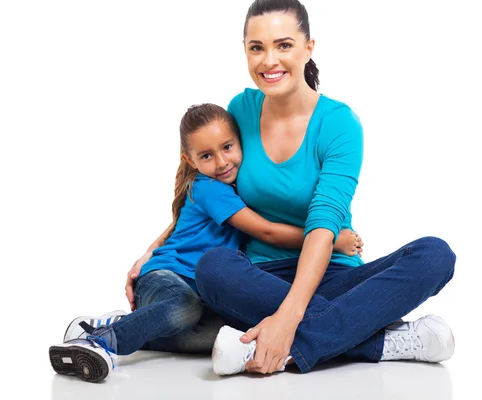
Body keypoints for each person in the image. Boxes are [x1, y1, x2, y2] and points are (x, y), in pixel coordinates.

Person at [189, 0, 457, 376]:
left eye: (283, 45)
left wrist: (289, 316)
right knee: (213, 267)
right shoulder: (241, 109)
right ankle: (381, 341)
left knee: (435, 255)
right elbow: (202, 179)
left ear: (308, 48)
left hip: (334, 271)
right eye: (256, 48)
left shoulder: (339, 123)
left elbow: (324, 223)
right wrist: (153, 252)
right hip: (260, 277)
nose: (269, 61)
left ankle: (277, 347)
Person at [48, 103, 363, 383]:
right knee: (183, 308)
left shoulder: (247, 187)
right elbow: (266, 231)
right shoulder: (210, 188)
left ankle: (125, 324)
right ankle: (102, 340)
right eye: (207, 156)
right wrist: (331, 240)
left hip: (203, 295)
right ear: (190, 160)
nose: (222, 161)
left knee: (227, 335)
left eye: (227, 147)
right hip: (168, 277)